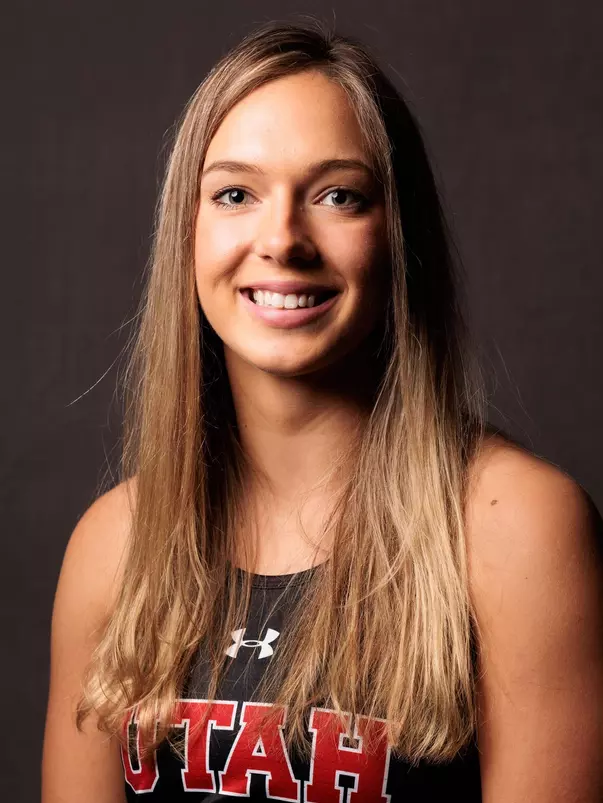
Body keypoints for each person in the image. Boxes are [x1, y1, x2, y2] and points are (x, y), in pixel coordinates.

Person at [41, 18, 603, 803]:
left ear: (397, 237)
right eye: (235, 193)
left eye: (338, 195)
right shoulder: (115, 545)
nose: (282, 239)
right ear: (187, 234)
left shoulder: (517, 530)